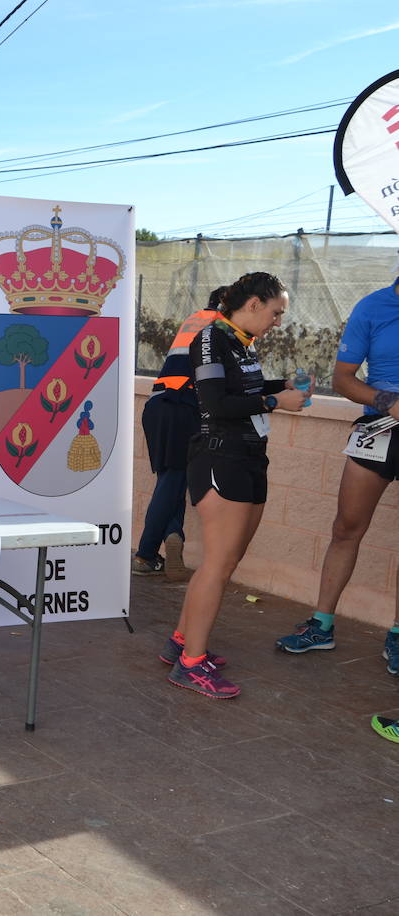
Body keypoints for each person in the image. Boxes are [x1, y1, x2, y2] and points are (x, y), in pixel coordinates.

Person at [166, 273, 307, 699]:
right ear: (253, 304)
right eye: (276, 312)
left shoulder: (239, 340)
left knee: (224, 562)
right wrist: (272, 402)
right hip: (220, 457)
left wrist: (278, 387)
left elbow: (239, 389)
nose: (278, 321)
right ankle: (191, 664)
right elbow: (215, 402)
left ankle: (182, 641)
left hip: (247, 457)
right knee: (218, 565)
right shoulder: (211, 337)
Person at [275, 274, 399, 669]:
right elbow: (343, 379)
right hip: (378, 429)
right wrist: (388, 401)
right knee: (346, 528)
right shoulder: (373, 307)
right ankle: (321, 625)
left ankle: (397, 635)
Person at [134, 287, 226, 580]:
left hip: (158, 404)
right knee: (174, 480)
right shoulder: (222, 329)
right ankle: (146, 554)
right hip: (185, 407)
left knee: (171, 480)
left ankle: (174, 535)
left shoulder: (194, 320)